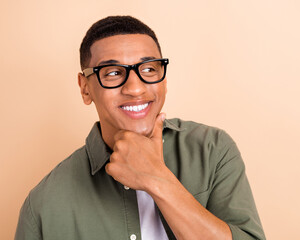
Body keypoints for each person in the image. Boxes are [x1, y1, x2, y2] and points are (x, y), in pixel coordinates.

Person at [15, 16, 266, 240]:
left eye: (148, 69)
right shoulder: (43, 205)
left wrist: (156, 178)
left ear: (164, 80)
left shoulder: (213, 150)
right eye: (112, 72)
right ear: (85, 88)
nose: (135, 88)